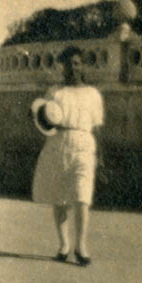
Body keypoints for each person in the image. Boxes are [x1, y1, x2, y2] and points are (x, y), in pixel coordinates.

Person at [30, 45, 105, 265]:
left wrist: (100, 155)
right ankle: (64, 245)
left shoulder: (93, 94)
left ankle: (81, 247)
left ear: (82, 66)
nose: (73, 68)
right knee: (60, 197)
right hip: (58, 143)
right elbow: (43, 118)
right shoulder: (55, 92)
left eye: (77, 64)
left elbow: (97, 126)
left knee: (82, 197)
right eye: (68, 64)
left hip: (84, 144)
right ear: (62, 67)